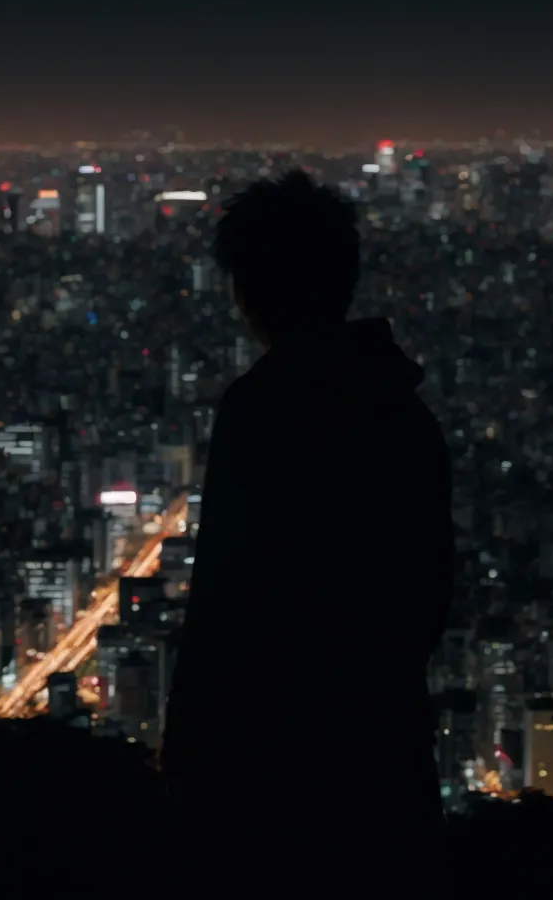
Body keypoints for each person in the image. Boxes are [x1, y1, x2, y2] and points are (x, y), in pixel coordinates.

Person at [162, 169, 453, 882]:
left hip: (273, 765)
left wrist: (189, 763)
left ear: (248, 291)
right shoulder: (404, 413)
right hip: (386, 750)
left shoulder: (264, 411)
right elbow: (428, 591)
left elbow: (227, 599)